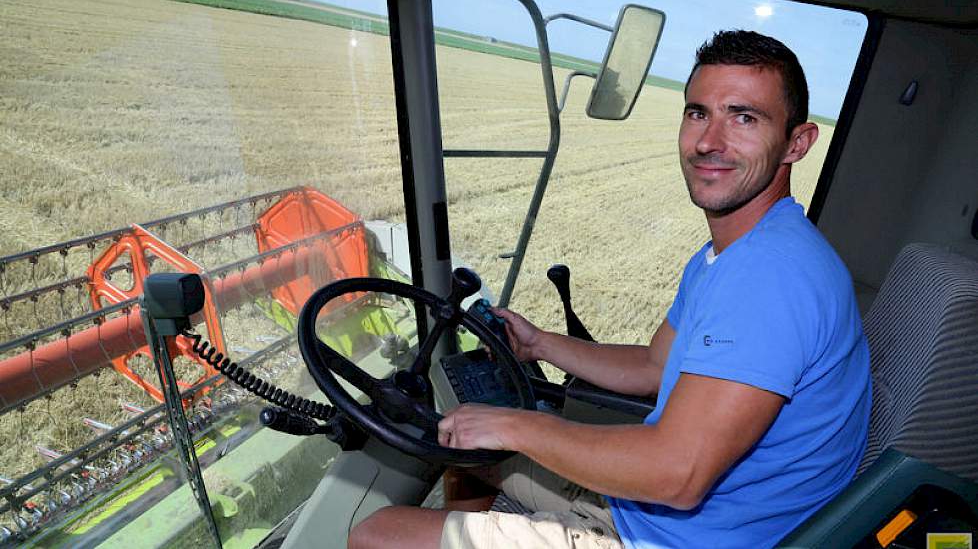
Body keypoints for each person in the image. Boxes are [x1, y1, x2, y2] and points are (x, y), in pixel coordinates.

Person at [349, 30, 872, 549]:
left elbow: (677, 475)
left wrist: (517, 426)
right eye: (698, 113)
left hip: (681, 537)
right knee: (471, 456)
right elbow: (652, 366)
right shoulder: (732, 255)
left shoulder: (771, 275)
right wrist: (540, 344)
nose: (709, 141)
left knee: (377, 535)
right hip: (651, 513)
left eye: (744, 117)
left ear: (796, 143)